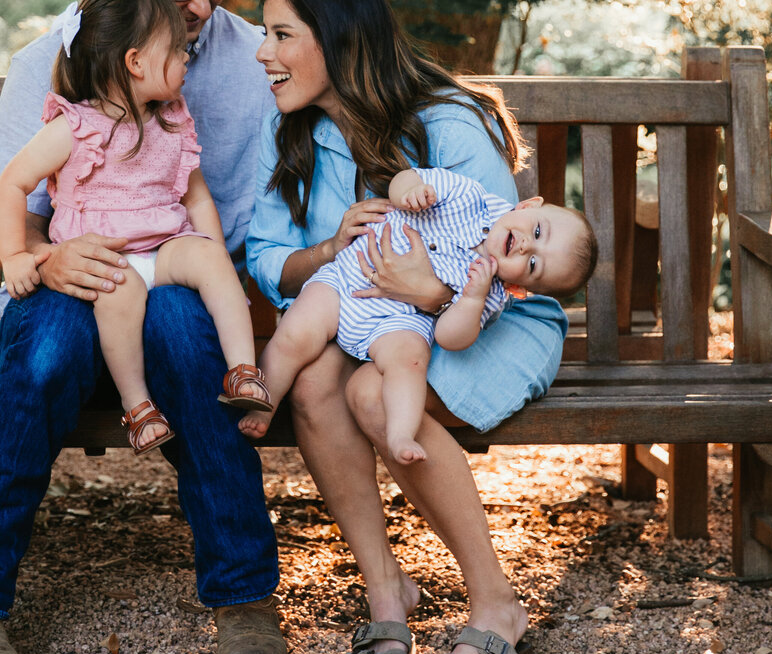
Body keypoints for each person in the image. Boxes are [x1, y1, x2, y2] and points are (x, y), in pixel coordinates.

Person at [0, 0, 284, 654]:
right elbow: (11, 203)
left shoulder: (249, 60)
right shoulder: (53, 60)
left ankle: (244, 598)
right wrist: (48, 260)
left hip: (179, 272)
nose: (202, 7)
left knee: (190, 344)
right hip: (68, 273)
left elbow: (245, 199)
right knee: (49, 354)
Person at [246, 0, 568, 654]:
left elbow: (506, 260)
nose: (263, 52)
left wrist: (427, 292)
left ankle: (496, 606)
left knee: (368, 394)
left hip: (490, 318)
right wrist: (328, 249)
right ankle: (388, 593)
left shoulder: (445, 124)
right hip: (377, 314)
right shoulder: (291, 131)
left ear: (336, 40)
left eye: (281, 34)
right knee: (315, 383)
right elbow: (266, 257)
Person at [0, 0, 269, 456]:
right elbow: (11, 184)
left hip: (163, 251)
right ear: (136, 62)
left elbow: (197, 197)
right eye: (178, 52)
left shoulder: (171, 120)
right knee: (116, 297)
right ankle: (139, 407)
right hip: (107, 262)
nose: (187, 60)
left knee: (209, 259)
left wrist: (211, 251)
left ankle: (244, 371)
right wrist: (18, 256)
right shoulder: (76, 127)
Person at [242, 163, 595, 465]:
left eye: (533, 263)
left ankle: (400, 434)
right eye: (536, 231)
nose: (525, 245)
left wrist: (470, 301)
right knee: (296, 333)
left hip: (400, 320)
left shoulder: (491, 293)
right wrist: (410, 190)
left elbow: (449, 337)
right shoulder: (467, 196)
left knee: (410, 361)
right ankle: (264, 401)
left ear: (520, 289)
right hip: (351, 276)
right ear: (527, 205)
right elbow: (406, 177)